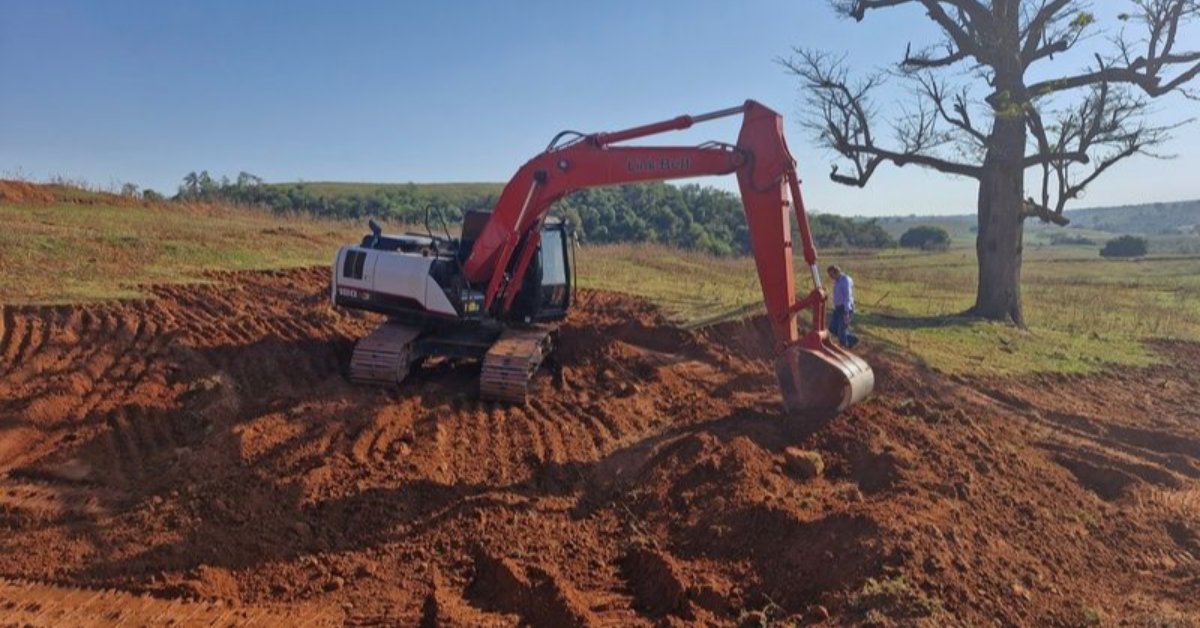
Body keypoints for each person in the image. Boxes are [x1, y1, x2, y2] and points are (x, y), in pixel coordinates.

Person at [827, 265, 859, 348]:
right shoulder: (837, 281)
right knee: (832, 328)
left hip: (845, 308)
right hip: (837, 308)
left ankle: (843, 346)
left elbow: (847, 296)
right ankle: (851, 339)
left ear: (836, 272)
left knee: (841, 329)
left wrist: (847, 312)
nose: (831, 277)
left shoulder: (845, 280)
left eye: (831, 275)